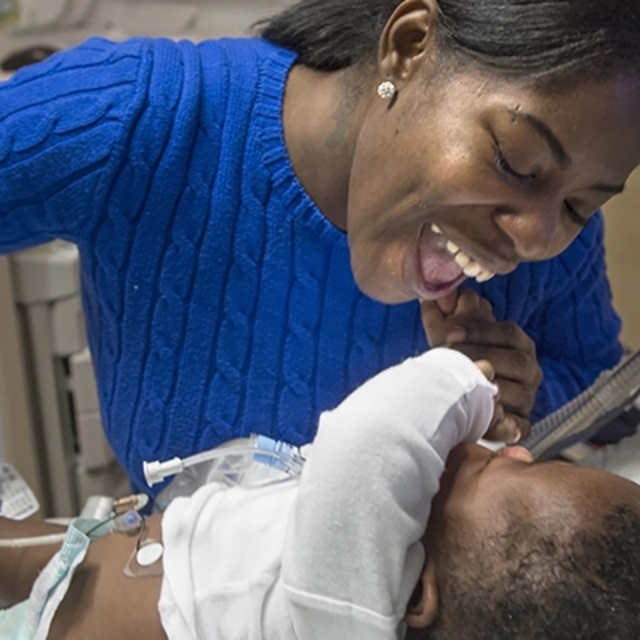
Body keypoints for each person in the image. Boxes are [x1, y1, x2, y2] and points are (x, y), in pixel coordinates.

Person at [1, 0, 640, 494]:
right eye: (515, 160)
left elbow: (598, 396)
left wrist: (521, 398)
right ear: (410, 45)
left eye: (582, 205)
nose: (535, 238)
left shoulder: (554, 244)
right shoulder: (144, 117)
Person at [1, 348, 639, 640]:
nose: (516, 449)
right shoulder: (373, 581)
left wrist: (467, 380)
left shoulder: (352, 612)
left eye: (513, 472)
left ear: (416, 595)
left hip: (60, 619)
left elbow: (377, 433)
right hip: (107, 552)